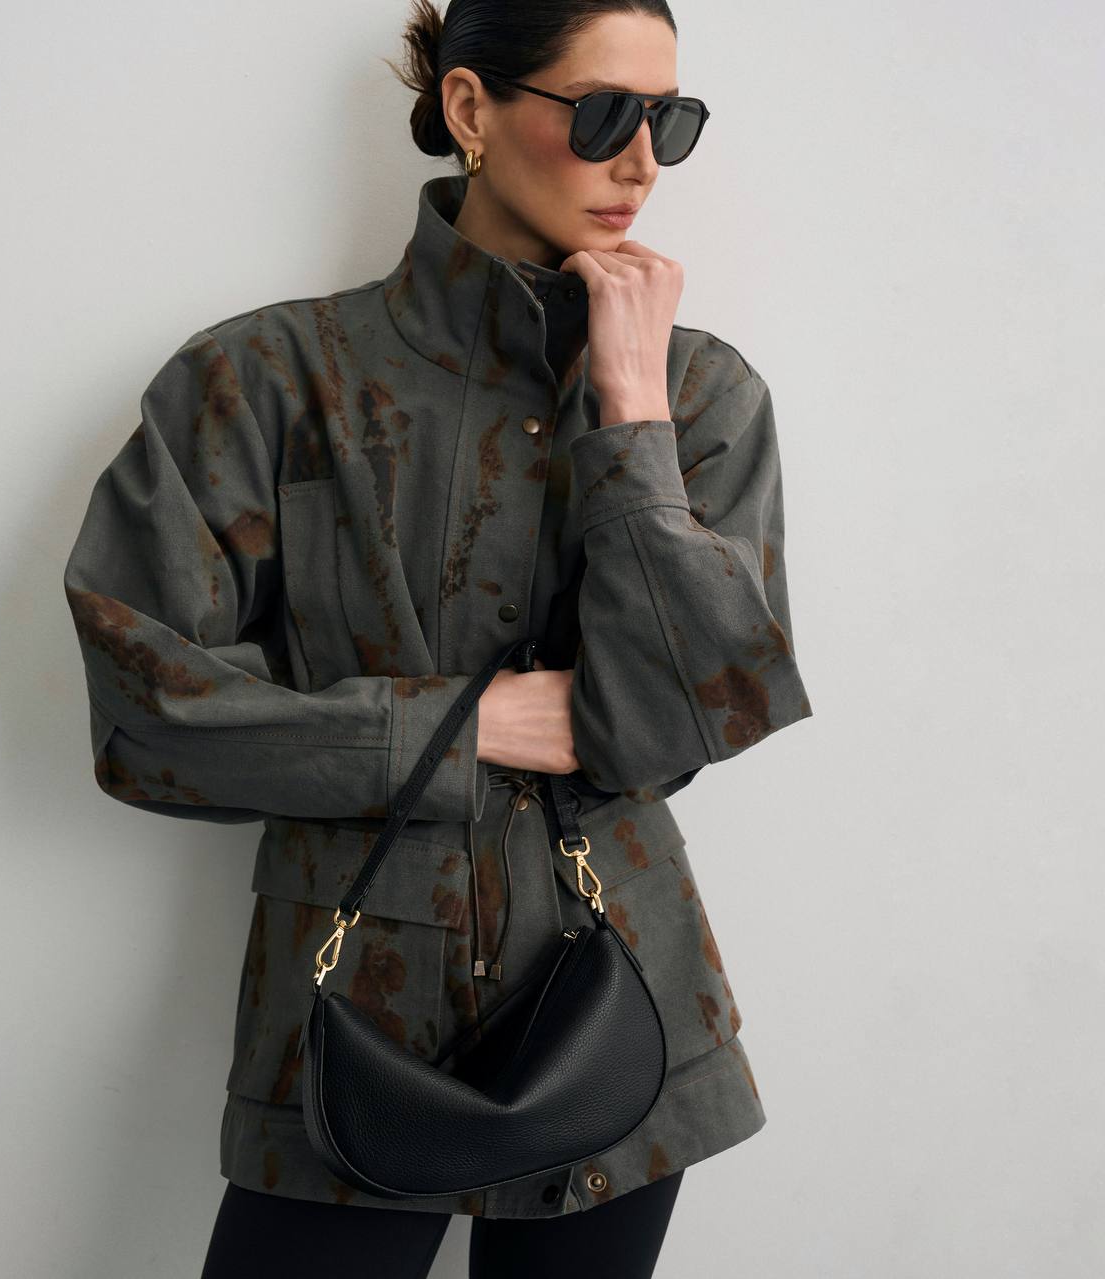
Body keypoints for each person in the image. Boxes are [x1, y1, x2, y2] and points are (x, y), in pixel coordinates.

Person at [61, 1, 813, 1274]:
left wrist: (629, 417)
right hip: (350, 1015)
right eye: (604, 114)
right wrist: (455, 728)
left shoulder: (699, 396)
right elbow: (145, 718)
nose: (641, 163)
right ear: (470, 108)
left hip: (618, 1014)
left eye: (669, 121)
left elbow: (681, 725)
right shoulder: (263, 381)